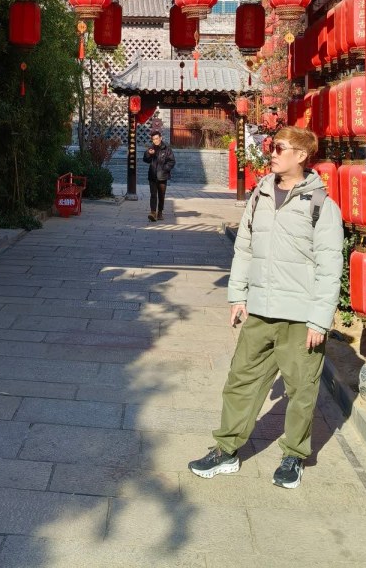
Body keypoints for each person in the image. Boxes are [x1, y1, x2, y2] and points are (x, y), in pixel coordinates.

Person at [188, 126, 343, 489]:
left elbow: (330, 266)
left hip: (300, 316)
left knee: (301, 390)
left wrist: (319, 320)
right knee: (240, 381)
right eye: (272, 147)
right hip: (260, 310)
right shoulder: (260, 195)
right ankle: (226, 450)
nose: (271, 153)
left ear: (301, 156)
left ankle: (294, 456)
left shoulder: (322, 206)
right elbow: (244, 247)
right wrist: (237, 295)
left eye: (279, 148)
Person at [143, 129, 175, 221]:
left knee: (161, 195)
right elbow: (145, 159)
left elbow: (172, 161)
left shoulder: (167, 149)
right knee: (153, 194)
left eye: (157, 138)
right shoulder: (151, 148)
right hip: (152, 176)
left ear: (160, 138)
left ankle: (160, 212)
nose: (155, 141)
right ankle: (153, 213)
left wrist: (164, 169)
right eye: (153, 139)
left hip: (162, 176)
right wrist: (149, 154)